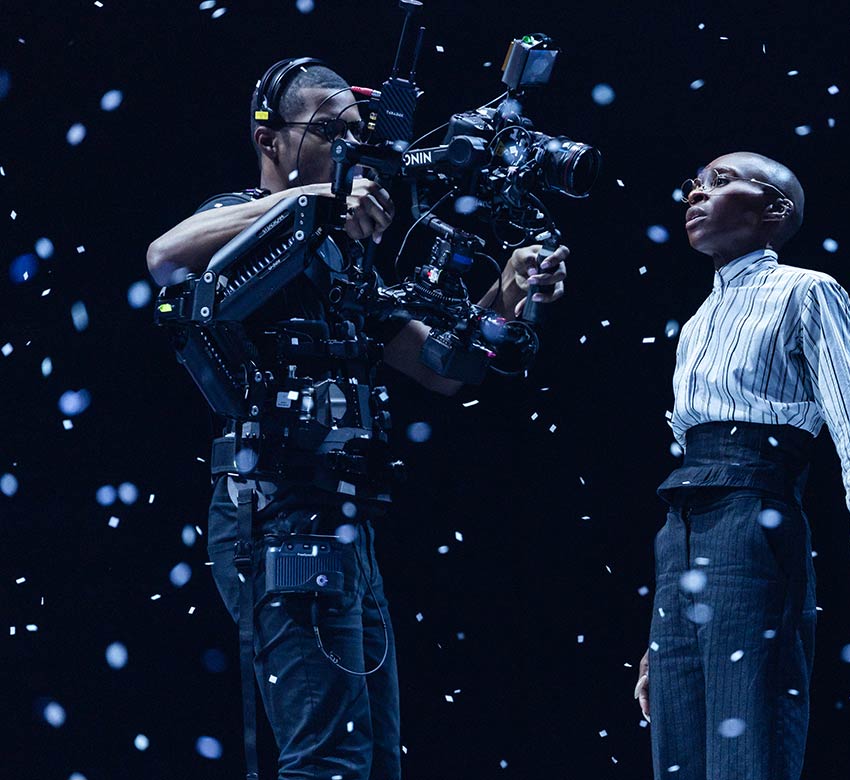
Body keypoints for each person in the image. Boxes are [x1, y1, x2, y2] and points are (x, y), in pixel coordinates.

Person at [146, 58, 568, 779]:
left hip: (343, 518)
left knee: (371, 763)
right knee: (329, 760)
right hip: (275, 505)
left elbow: (439, 369)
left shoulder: (347, 258)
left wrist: (506, 291)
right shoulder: (249, 214)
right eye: (327, 129)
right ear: (270, 138)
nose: (348, 144)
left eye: (354, 130)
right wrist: (319, 196)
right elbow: (164, 258)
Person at [633, 151, 850, 779]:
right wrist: (661, 635)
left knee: (746, 747)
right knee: (677, 758)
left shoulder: (806, 291)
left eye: (720, 182)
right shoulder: (698, 322)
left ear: (773, 212)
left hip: (751, 523)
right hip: (681, 530)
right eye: (693, 185)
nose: (696, 195)